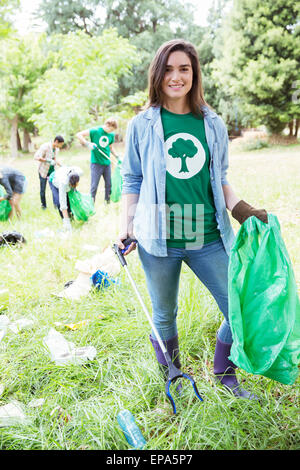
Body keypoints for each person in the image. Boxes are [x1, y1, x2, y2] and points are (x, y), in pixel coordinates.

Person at [116, 39, 268, 400]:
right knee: (164, 314)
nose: (176, 76)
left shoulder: (212, 123)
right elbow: (132, 179)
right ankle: (174, 379)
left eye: (184, 68)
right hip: (158, 237)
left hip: (208, 236)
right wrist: (126, 226)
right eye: (168, 69)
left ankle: (225, 372)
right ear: (157, 74)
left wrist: (242, 209)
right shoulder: (142, 124)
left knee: (238, 308)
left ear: (194, 73)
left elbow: (221, 177)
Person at [76, 118, 118, 204]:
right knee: (94, 186)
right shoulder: (95, 131)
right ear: (107, 125)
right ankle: (91, 204)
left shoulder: (111, 135)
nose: (111, 131)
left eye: (113, 130)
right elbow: (79, 135)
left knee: (109, 185)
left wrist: (117, 156)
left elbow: (110, 147)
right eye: (111, 129)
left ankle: (107, 202)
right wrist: (88, 143)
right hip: (96, 163)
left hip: (107, 163)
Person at [34, 135, 64, 209]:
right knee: (43, 189)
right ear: (56, 141)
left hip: (52, 171)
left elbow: (55, 159)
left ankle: (56, 205)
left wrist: (62, 166)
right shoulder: (45, 146)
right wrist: (48, 160)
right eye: (60, 144)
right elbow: (36, 157)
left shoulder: (56, 149)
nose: (60, 146)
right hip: (43, 171)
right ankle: (43, 205)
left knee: (54, 187)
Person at [49, 165, 83, 231]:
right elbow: (63, 203)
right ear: (69, 183)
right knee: (59, 202)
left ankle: (72, 218)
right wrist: (67, 223)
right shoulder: (63, 183)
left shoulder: (79, 172)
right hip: (54, 180)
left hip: (63, 172)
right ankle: (65, 220)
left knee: (69, 201)